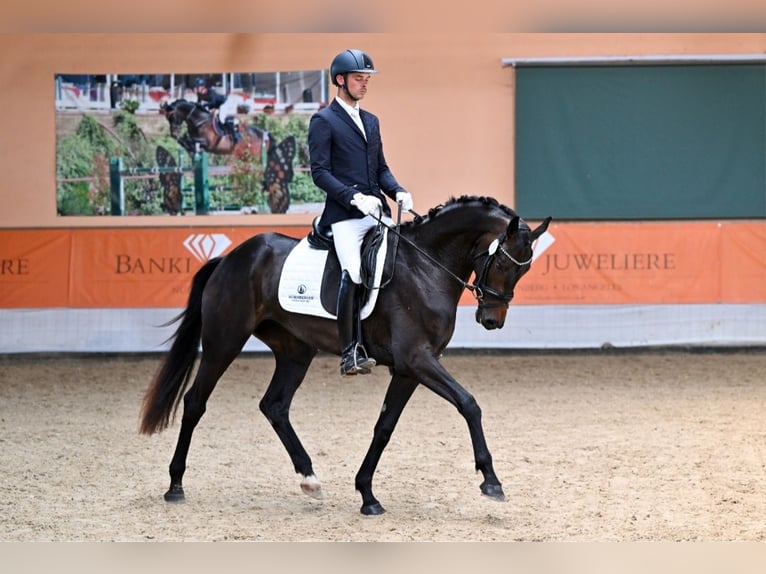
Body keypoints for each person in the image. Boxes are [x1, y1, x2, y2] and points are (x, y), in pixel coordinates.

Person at [308, 49, 414, 377]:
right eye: (358, 78)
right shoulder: (323, 121)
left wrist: (397, 190)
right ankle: (350, 350)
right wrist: (353, 198)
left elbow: (380, 168)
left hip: (376, 211)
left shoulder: (371, 121)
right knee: (353, 271)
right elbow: (320, 173)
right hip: (344, 218)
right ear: (340, 80)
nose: (364, 84)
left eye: (367, 79)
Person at [194, 78, 240, 143]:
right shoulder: (199, 94)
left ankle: (235, 136)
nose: (196, 88)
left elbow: (213, 102)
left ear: (202, 87)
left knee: (221, 119)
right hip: (215, 106)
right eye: (196, 87)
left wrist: (205, 106)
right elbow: (199, 103)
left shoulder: (210, 91)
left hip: (223, 104)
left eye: (197, 87)